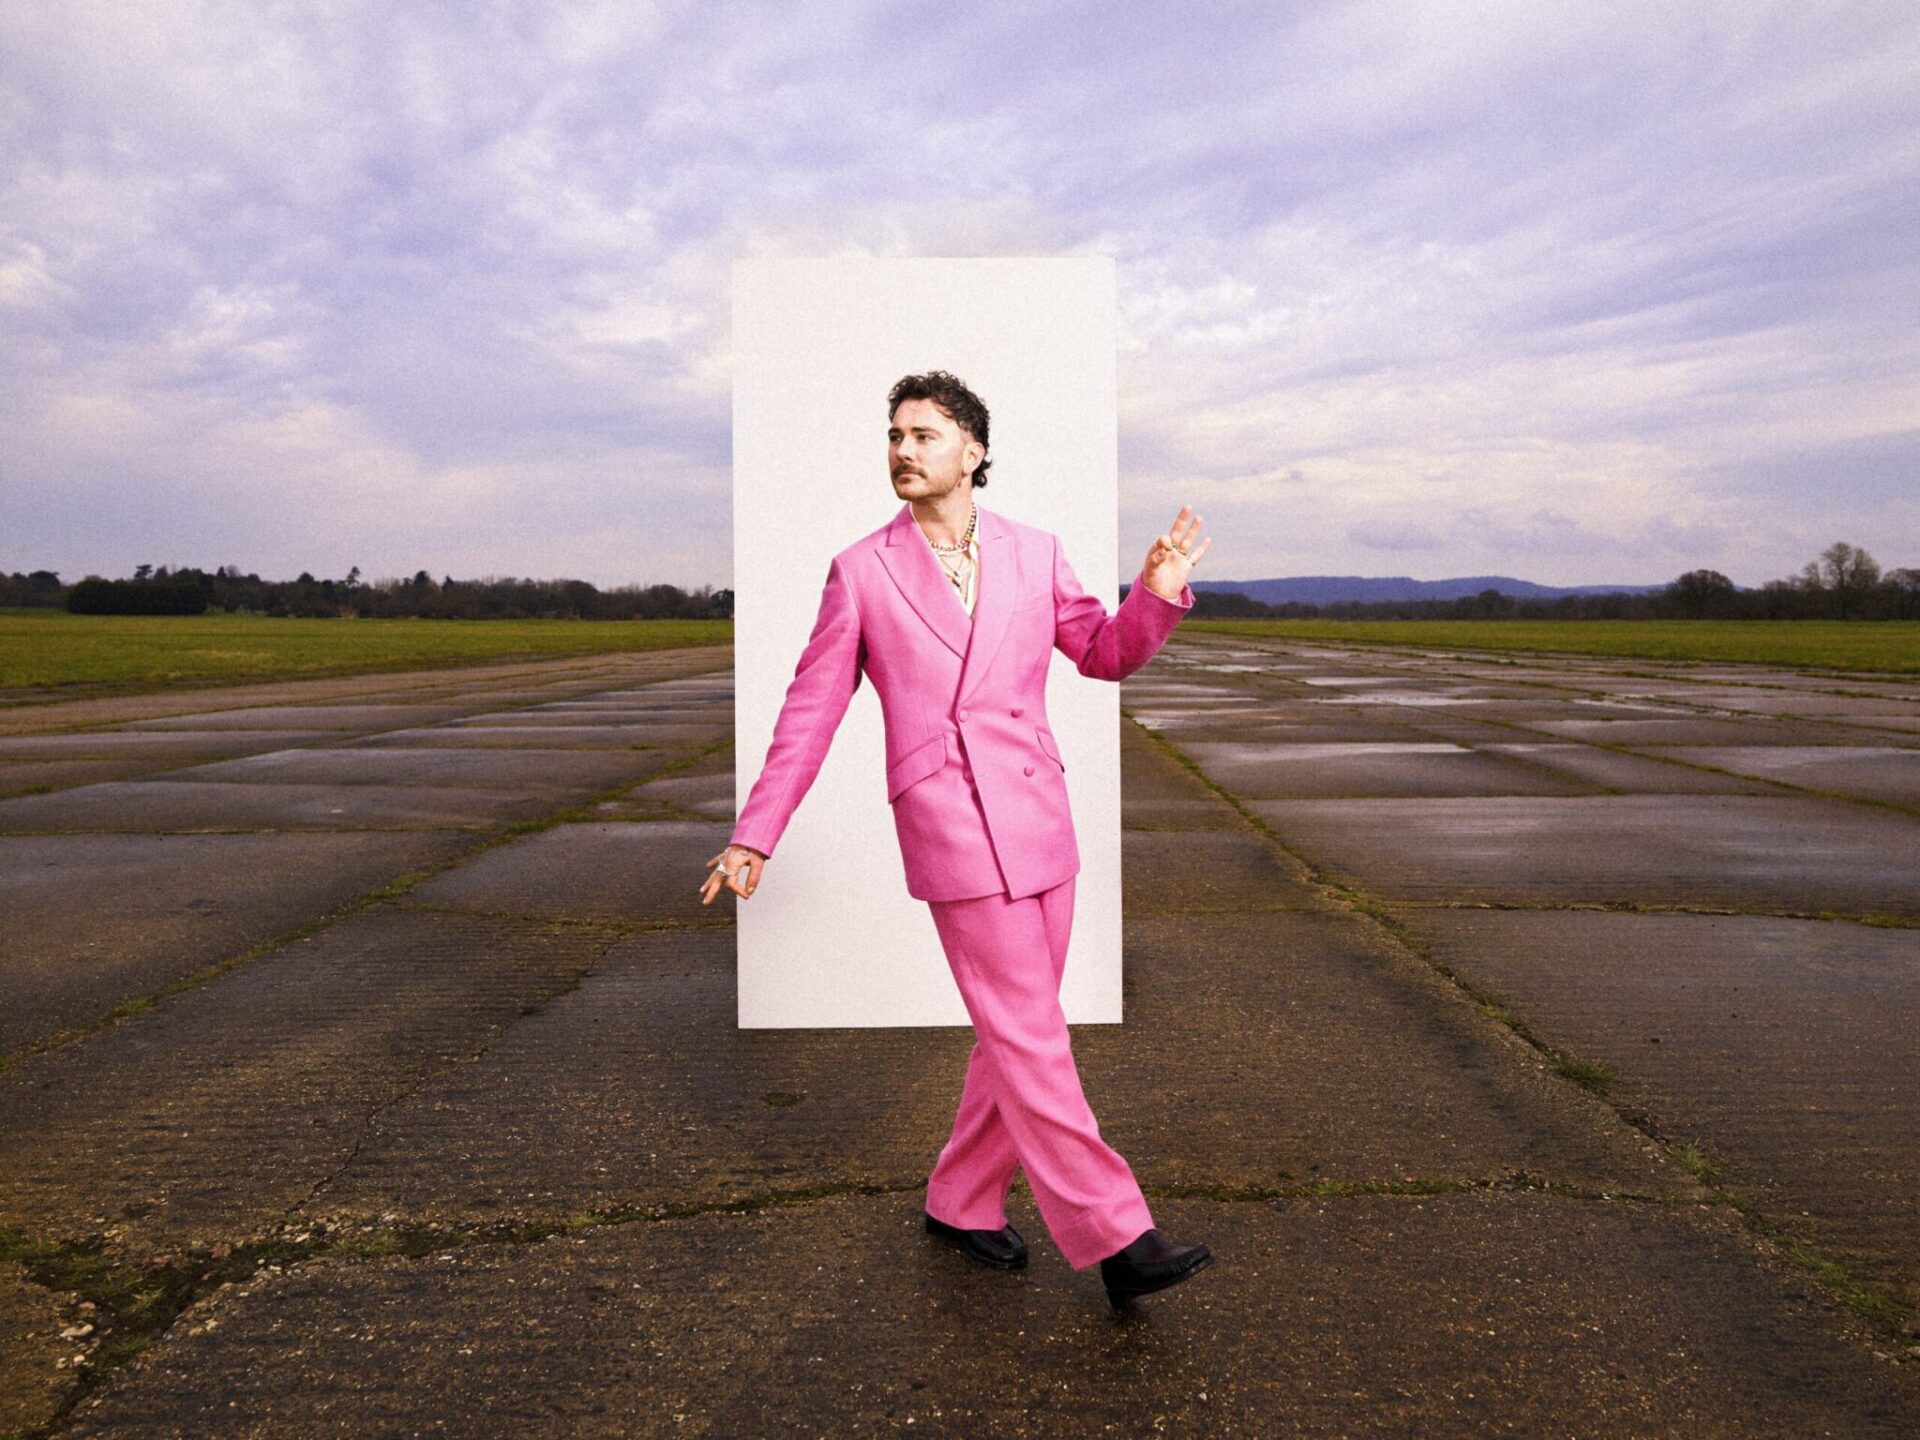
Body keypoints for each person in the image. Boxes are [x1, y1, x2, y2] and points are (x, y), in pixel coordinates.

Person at [699, 370, 1214, 1305]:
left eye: (924, 435)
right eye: (894, 435)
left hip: (1040, 820)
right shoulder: (861, 570)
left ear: (973, 451)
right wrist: (755, 833)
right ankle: (1117, 1234)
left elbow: (1103, 655)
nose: (902, 449)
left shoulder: (1035, 551)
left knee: (1016, 1035)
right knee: (1030, 1034)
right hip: (950, 823)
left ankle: (962, 1198)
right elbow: (810, 712)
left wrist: (1154, 593)